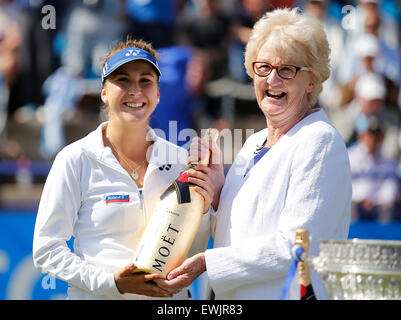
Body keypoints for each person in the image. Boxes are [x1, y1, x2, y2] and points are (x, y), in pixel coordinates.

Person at [156, 8, 352, 300]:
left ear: (312, 80)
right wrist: (217, 194)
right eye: (263, 67)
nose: (272, 80)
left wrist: (208, 262)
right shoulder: (254, 143)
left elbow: (296, 246)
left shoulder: (320, 141)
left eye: (287, 69)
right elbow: (241, 232)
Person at [32, 38, 213, 300]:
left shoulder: (180, 160)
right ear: (104, 92)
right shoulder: (75, 159)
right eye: (123, 80)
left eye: (145, 81)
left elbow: (191, 248)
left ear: (158, 94)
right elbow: (46, 249)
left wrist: (204, 209)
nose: (135, 90)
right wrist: (111, 283)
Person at [348, 116, 399, 222]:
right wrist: (362, 199)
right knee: (351, 207)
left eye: (376, 135)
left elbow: (391, 189)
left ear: (381, 138)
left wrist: (376, 201)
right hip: (356, 206)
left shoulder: (387, 161)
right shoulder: (350, 157)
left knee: (388, 210)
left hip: (379, 208)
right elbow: (345, 186)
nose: (373, 139)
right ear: (360, 137)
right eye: (369, 135)